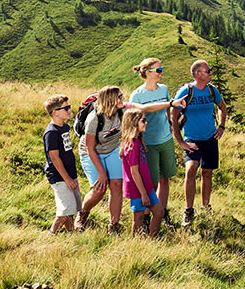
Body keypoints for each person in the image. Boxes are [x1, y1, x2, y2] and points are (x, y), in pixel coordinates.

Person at [74, 85, 182, 234]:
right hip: (91, 152)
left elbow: (145, 108)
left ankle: (114, 225)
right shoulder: (94, 119)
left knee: (117, 185)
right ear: (110, 100)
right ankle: (83, 212)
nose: (123, 98)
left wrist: (171, 104)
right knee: (99, 189)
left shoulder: (123, 109)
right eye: (119, 96)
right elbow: (90, 148)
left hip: (112, 150)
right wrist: (102, 173)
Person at [171, 59, 227, 227]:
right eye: (208, 70)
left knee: (207, 172)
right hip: (192, 139)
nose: (211, 73)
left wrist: (222, 126)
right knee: (190, 170)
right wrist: (180, 141)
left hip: (210, 138)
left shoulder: (212, 90)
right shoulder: (186, 91)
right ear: (198, 74)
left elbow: (222, 107)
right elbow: (173, 115)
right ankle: (188, 210)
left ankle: (205, 206)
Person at [130, 58, 177, 226]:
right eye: (158, 70)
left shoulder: (164, 90)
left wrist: (170, 124)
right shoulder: (137, 95)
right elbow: (137, 116)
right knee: (152, 182)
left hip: (165, 140)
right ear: (148, 73)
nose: (161, 73)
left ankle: (162, 213)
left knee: (165, 179)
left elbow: (167, 109)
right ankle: (148, 215)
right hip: (148, 143)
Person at [120, 109, 164, 238]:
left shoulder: (138, 141)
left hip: (146, 187)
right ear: (134, 123)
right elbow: (134, 173)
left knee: (159, 212)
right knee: (138, 218)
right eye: (143, 120)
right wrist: (144, 194)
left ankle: (153, 239)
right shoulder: (131, 146)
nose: (146, 122)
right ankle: (136, 243)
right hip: (137, 189)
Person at [42, 94, 81, 234]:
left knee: (71, 207)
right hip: (60, 176)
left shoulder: (64, 127)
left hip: (69, 173)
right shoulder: (51, 133)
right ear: (54, 113)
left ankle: (71, 233)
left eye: (69, 107)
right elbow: (54, 158)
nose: (69, 110)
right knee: (65, 210)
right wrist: (67, 179)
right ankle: (52, 233)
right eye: (65, 108)